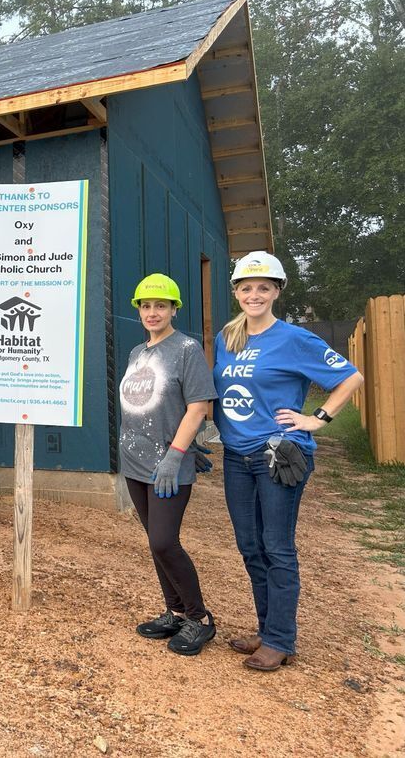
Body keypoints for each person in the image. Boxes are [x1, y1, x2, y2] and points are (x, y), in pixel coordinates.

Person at [214, 252, 363, 671]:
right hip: (236, 456)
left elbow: (351, 376)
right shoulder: (228, 338)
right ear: (237, 292)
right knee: (250, 545)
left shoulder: (294, 338)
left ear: (277, 291)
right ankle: (267, 630)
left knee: (277, 546)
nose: (254, 294)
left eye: (264, 287)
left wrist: (316, 419)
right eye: (246, 287)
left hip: (277, 455)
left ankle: (281, 639)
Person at [118, 274, 218, 655]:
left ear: (174, 308)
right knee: (154, 543)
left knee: (164, 540)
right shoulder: (137, 353)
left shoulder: (187, 349)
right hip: (135, 462)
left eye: (161, 305)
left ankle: (199, 618)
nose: (152, 312)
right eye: (146, 306)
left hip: (167, 465)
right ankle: (174, 612)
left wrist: (177, 454)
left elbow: (198, 406)